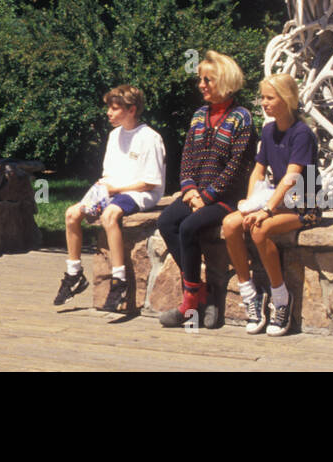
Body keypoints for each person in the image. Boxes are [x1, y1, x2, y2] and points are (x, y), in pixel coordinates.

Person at [157, 51, 257, 328]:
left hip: (226, 198)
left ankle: (190, 303)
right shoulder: (199, 115)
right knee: (166, 221)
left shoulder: (242, 118)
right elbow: (187, 156)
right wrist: (189, 190)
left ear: (224, 81)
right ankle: (201, 291)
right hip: (195, 194)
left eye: (208, 80)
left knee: (189, 227)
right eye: (201, 79)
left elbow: (237, 167)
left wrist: (208, 196)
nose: (201, 84)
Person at [221, 73, 321, 336]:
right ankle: (249, 294)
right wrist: (251, 201)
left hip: (304, 204)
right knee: (230, 224)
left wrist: (266, 211)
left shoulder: (302, 134)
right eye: (262, 97)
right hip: (276, 199)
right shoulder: (268, 130)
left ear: (286, 99)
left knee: (259, 229)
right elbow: (258, 170)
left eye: (269, 97)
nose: (263, 103)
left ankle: (280, 298)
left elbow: (291, 178)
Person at [53, 85, 165, 311]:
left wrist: (115, 190)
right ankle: (74, 273)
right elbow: (109, 174)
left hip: (139, 193)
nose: (108, 113)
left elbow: (150, 182)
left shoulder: (149, 137)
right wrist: (102, 189)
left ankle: (118, 278)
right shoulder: (114, 136)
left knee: (110, 215)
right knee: (72, 214)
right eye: (109, 108)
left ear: (131, 109)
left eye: (115, 109)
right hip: (112, 189)